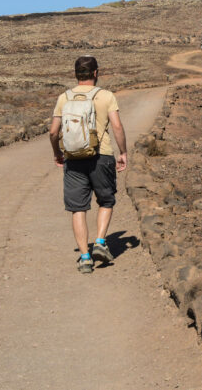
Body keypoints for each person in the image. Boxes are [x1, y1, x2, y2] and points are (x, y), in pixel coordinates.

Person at [48, 56, 128, 274]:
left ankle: (84, 257)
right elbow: (118, 127)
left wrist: (57, 153)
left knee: (78, 208)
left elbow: (53, 132)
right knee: (106, 200)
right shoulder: (106, 96)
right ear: (95, 73)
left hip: (73, 159)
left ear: (76, 74)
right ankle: (100, 241)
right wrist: (123, 152)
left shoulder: (64, 98)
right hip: (101, 156)